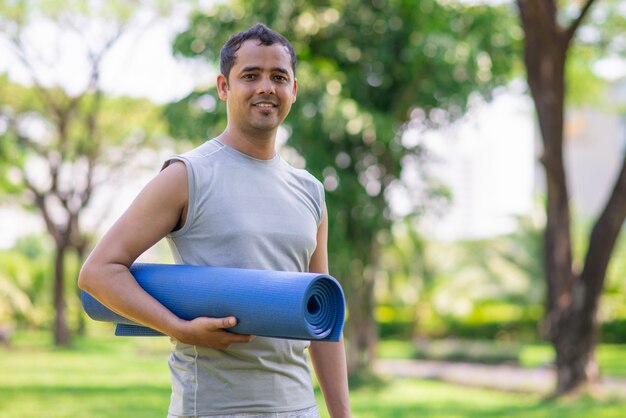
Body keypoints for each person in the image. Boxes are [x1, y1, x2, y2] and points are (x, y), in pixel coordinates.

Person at [78, 23, 351, 418]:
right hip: (211, 408)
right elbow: (98, 272)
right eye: (250, 75)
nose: (266, 87)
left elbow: (323, 317)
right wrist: (177, 327)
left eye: (279, 77)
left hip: (298, 408)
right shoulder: (188, 175)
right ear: (224, 87)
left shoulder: (310, 190)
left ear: (294, 89)